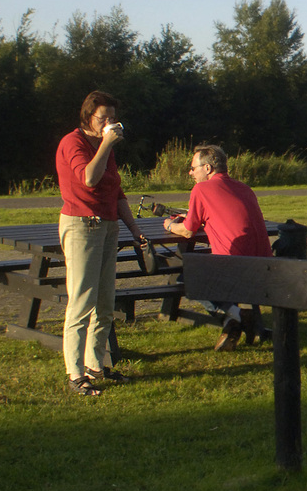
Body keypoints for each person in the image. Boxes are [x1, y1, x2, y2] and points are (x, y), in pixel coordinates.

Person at [56, 90, 148, 396]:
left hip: (108, 227)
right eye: (103, 117)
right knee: (82, 300)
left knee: (105, 302)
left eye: (113, 117)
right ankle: (75, 373)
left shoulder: (104, 148)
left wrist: (134, 229)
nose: (109, 122)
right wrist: (107, 144)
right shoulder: (74, 142)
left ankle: (96, 366)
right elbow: (88, 179)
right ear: (88, 117)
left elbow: (115, 191)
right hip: (82, 225)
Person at [161, 144, 270, 350]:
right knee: (203, 270)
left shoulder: (201, 189)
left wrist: (169, 224)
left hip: (234, 266)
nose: (190, 172)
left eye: (194, 168)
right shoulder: (244, 188)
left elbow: (187, 231)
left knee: (185, 277)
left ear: (208, 168)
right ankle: (234, 321)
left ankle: (235, 315)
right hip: (263, 266)